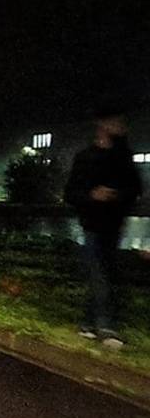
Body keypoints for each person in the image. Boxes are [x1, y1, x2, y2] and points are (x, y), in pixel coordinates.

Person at [63, 110, 142, 347]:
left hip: (114, 226)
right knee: (99, 275)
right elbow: (71, 193)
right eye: (114, 122)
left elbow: (135, 189)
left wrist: (116, 195)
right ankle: (106, 327)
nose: (120, 126)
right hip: (91, 226)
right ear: (102, 125)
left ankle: (88, 324)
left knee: (106, 274)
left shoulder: (123, 157)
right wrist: (92, 196)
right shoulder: (86, 157)